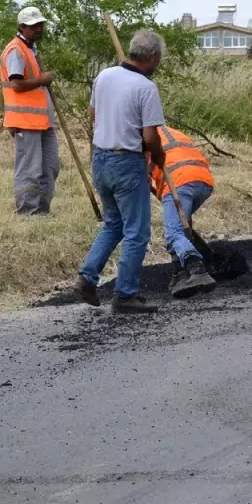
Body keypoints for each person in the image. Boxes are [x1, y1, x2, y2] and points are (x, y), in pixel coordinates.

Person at [74, 30, 168, 314]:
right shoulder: (146, 88)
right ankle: (125, 294)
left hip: (101, 159)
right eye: (158, 59)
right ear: (152, 57)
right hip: (127, 163)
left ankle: (87, 277)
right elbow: (150, 137)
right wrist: (160, 157)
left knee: (113, 223)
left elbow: (93, 114)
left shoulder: (104, 76)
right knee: (137, 231)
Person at [0, 6, 60, 215]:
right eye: (34, 26)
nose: (39, 29)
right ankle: (27, 212)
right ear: (22, 26)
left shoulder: (30, 50)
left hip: (43, 122)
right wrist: (41, 81)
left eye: (40, 25)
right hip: (25, 121)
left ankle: (41, 211)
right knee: (29, 170)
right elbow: (16, 84)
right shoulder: (16, 50)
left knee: (50, 168)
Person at [149, 126, 217, 298]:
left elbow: (142, 171)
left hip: (178, 181)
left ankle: (196, 268)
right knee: (180, 225)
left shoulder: (144, 135)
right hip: (203, 182)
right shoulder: (172, 132)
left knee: (174, 232)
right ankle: (180, 274)